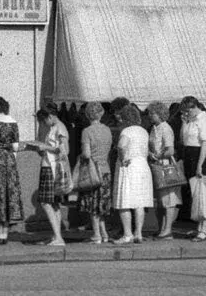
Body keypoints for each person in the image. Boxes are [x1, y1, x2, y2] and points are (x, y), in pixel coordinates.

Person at [30, 102, 70, 246]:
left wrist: (45, 147)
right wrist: (43, 149)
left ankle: (58, 237)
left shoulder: (60, 127)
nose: (44, 124)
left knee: (45, 202)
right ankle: (56, 236)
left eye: (44, 120)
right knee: (53, 203)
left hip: (52, 168)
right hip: (50, 165)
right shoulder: (54, 127)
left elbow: (65, 150)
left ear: (50, 116)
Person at [112, 104, 153, 244]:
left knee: (125, 201)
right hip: (143, 165)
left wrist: (122, 157)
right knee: (139, 202)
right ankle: (138, 233)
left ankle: (127, 234)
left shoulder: (127, 131)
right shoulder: (143, 131)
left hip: (129, 166)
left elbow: (121, 145)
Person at [0, 96, 23, 244]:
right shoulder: (12, 121)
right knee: (8, 194)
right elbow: (16, 146)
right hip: (9, 159)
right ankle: (4, 235)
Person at [179, 95, 206, 242]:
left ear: (194, 107)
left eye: (188, 111)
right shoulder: (190, 120)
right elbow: (183, 140)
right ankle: (198, 226)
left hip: (199, 155)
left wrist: (200, 165)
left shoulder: (204, 120)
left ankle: (204, 228)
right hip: (189, 155)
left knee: (202, 193)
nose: (187, 114)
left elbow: (205, 144)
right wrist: (184, 123)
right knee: (194, 193)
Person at [78, 101, 113, 244]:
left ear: (87, 115)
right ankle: (104, 233)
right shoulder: (107, 130)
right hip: (105, 170)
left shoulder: (87, 131)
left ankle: (96, 235)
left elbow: (86, 154)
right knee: (101, 205)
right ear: (101, 113)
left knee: (93, 205)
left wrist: (80, 157)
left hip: (92, 171)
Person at [146, 101, 181, 240]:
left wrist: (157, 156)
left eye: (152, 113)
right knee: (160, 200)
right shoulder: (154, 128)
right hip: (156, 166)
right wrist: (150, 154)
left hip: (164, 166)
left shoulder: (165, 128)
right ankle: (161, 228)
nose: (150, 115)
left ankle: (167, 230)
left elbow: (170, 150)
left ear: (159, 114)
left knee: (168, 199)